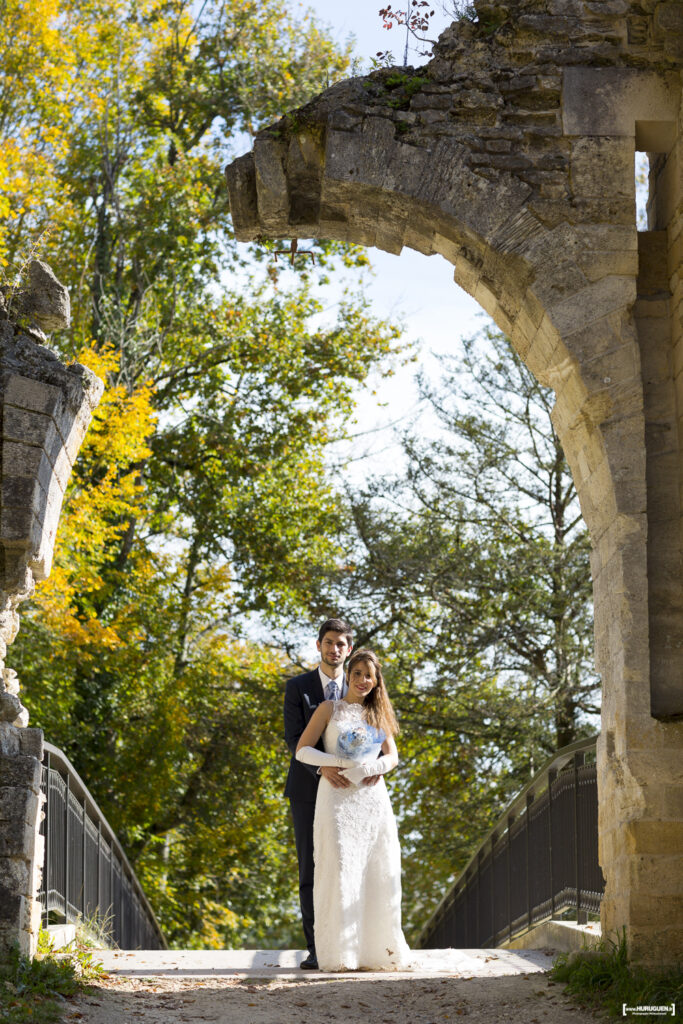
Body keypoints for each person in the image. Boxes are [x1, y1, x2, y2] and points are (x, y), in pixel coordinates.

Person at [295, 648, 410, 972]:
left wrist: (376, 767)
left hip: (372, 800)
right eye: (357, 673)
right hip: (336, 797)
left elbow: (392, 756)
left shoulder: (379, 714)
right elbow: (302, 750)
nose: (362, 680)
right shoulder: (328, 709)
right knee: (340, 867)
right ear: (348, 675)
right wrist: (334, 763)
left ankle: (376, 952)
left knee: (377, 869)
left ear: (376, 681)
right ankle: (341, 954)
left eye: (368, 675)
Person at [284, 617, 370, 970]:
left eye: (341, 644)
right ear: (318, 645)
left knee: (350, 865)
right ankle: (317, 947)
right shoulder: (297, 687)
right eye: (329, 642)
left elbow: (378, 736)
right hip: (307, 789)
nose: (334, 649)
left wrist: (371, 768)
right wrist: (323, 769)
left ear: (349, 650)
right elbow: (294, 740)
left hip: (351, 793)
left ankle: (353, 944)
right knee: (312, 867)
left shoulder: (362, 687)